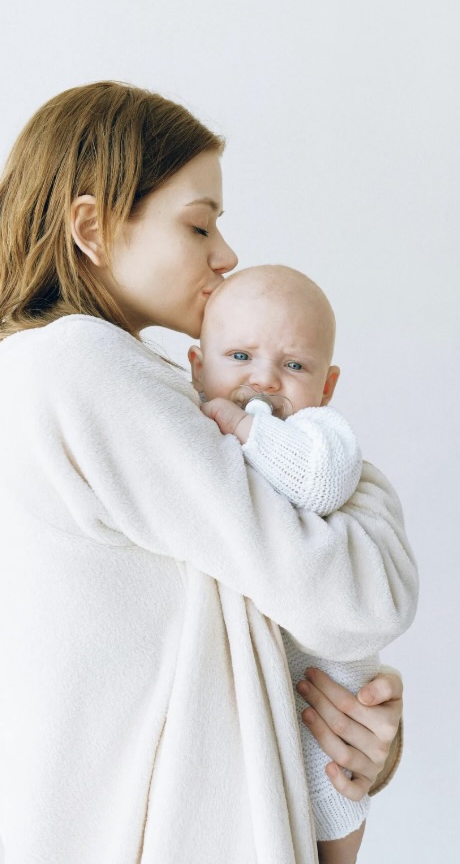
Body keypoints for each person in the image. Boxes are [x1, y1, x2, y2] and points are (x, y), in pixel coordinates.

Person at [0, 81, 418, 864]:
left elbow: (263, 610)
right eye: (199, 224)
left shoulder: (61, 382)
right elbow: (362, 600)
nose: (226, 256)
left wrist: (350, 739)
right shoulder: (80, 367)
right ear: (90, 226)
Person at [189, 263, 417, 863]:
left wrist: (246, 429)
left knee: (335, 792)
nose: (264, 381)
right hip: (247, 721)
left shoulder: (320, 436)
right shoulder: (182, 429)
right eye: (239, 355)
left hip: (326, 684)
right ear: (195, 365)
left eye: (294, 366)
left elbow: (317, 483)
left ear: (327, 386)